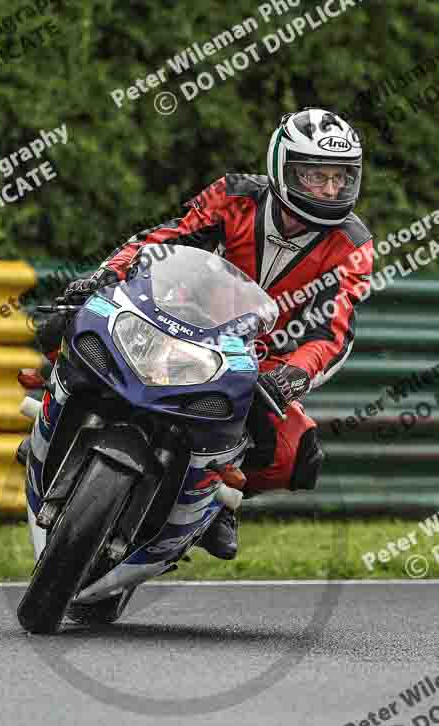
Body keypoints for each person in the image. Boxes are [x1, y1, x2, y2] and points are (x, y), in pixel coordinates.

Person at [27, 107, 374, 561]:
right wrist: (105, 275)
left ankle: (218, 502)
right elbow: (165, 239)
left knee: (296, 454)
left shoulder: (353, 244)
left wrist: (290, 377)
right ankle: (56, 413)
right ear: (283, 167)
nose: (330, 189)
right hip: (179, 319)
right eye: (316, 176)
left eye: (340, 178)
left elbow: (334, 331)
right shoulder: (235, 195)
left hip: (263, 357)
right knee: (70, 323)